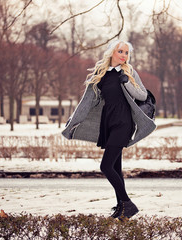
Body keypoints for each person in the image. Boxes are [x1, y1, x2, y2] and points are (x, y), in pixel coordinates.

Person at [62, 40, 156, 221]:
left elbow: (143, 95)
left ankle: (128, 204)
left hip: (123, 123)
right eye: (120, 51)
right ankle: (121, 206)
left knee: (105, 166)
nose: (123, 55)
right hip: (108, 122)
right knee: (115, 167)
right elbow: (87, 100)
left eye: (127, 53)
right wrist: (74, 119)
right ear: (112, 52)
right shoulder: (101, 73)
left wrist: (127, 83)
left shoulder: (129, 72)